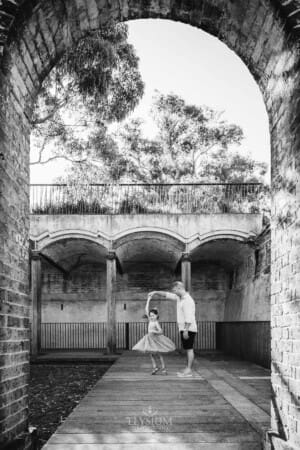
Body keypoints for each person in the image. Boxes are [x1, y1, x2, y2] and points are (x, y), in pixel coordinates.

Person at [148, 281, 197, 378]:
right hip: (184, 328)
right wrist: (155, 292)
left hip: (189, 328)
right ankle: (187, 368)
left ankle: (189, 370)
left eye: (175, 290)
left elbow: (189, 317)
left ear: (179, 288)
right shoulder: (179, 298)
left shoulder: (187, 300)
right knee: (187, 348)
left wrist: (186, 330)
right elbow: (166, 295)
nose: (174, 292)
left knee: (189, 349)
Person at [132, 295, 176, 374]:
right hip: (149, 339)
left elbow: (161, 331)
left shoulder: (156, 322)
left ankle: (163, 368)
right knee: (151, 354)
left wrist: (155, 331)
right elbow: (146, 309)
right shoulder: (150, 321)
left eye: (153, 316)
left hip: (155, 339)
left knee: (159, 354)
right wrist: (148, 299)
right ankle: (155, 367)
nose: (151, 317)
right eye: (150, 315)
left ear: (157, 316)